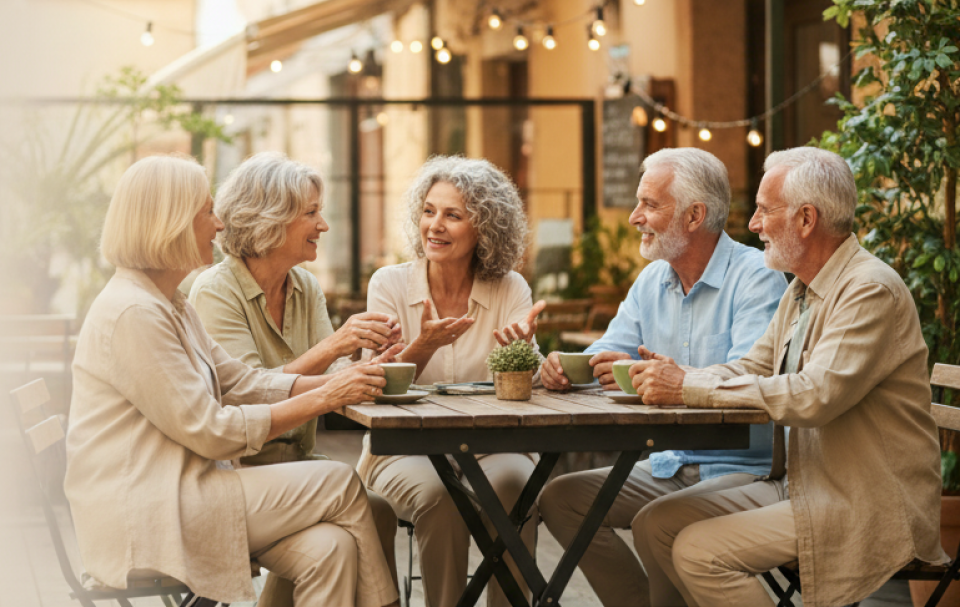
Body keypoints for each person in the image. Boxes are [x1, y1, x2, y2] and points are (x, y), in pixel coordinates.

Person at [64, 154, 399, 607]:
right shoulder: (134, 314)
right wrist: (327, 396)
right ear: (171, 221)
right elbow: (212, 432)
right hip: (148, 512)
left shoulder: (169, 303)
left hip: (188, 490)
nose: (220, 226)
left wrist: (341, 383)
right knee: (341, 482)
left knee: (331, 549)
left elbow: (241, 382)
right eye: (207, 212)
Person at [631, 147, 947, 607]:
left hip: (861, 500)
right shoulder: (802, 288)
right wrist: (681, 377)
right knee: (654, 524)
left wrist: (687, 385)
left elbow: (814, 396)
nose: (754, 224)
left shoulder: (869, 290)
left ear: (805, 219)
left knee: (699, 552)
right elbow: (754, 367)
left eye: (764, 210)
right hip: (800, 481)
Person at [537, 148, 788, 607]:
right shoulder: (653, 280)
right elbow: (607, 352)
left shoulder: (757, 278)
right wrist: (564, 369)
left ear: (695, 215)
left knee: (657, 520)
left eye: (650, 205)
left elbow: (749, 380)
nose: (635, 217)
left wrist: (676, 378)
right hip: (671, 462)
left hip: (743, 468)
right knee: (561, 499)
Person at [188, 152, 403, 605]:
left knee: (367, 518)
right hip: (244, 471)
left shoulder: (303, 286)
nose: (323, 225)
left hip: (298, 463)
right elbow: (246, 391)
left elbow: (335, 378)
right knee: (351, 503)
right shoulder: (215, 291)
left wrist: (374, 360)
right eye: (311, 213)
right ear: (271, 220)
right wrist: (334, 347)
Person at [357, 155, 545, 607]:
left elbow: (529, 383)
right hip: (404, 452)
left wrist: (520, 359)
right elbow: (371, 385)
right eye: (428, 211)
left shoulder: (510, 288)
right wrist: (423, 345)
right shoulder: (390, 285)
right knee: (441, 496)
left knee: (518, 487)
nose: (434, 226)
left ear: (485, 228)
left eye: (453, 215)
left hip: (494, 446)